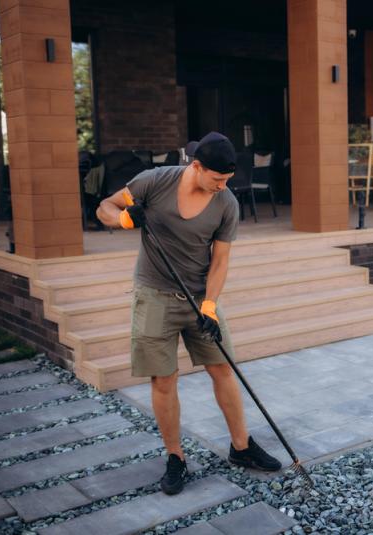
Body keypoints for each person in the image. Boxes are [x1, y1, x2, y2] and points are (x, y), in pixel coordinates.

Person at [96, 132, 281, 495]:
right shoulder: (155, 181)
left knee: (222, 368)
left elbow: (221, 259)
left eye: (228, 180)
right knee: (163, 379)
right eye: (217, 179)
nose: (223, 187)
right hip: (154, 294)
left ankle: (241, 447)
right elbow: (105, 207)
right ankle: (175, 457)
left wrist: (210, 306)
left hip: (199, 297)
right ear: (196, 166)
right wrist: (124, 220)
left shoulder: (227, 203)